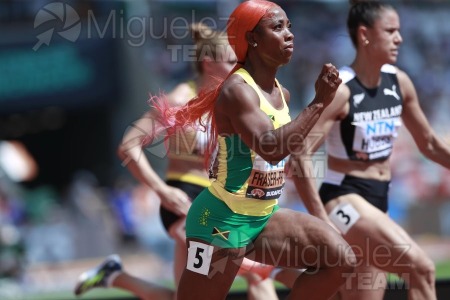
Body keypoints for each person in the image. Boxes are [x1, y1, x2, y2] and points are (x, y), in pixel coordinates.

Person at [146, 1, 356, 299]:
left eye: (289, 27)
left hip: (264, 217)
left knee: (340, 259)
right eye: (277, 27)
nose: (289, 34)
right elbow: (271, 148)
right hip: (221, 221)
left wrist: (318, 214)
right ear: (252, 38)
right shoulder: (237, 91)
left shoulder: (281, 93)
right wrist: (319, 102)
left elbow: (294, 154)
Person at [74, 22, 280, 300]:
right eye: (232, 62)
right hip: (186, 199)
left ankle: (115, 275)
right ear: (208, 63)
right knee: (250, 268)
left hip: (225, 199)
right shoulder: (180, 100)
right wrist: (162, 190)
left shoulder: (234, 100)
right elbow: (128, 145)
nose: (240, 68)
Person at [289, 1, 450, 299]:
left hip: (379, 200)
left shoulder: (399, 82)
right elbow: (299, 154)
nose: (399, 38)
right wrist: (321, 221)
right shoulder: (343, 90)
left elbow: (428, 143)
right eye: (390, 31)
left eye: (399, 31)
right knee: (421, 268)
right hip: (343, 201)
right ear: (364, 35)